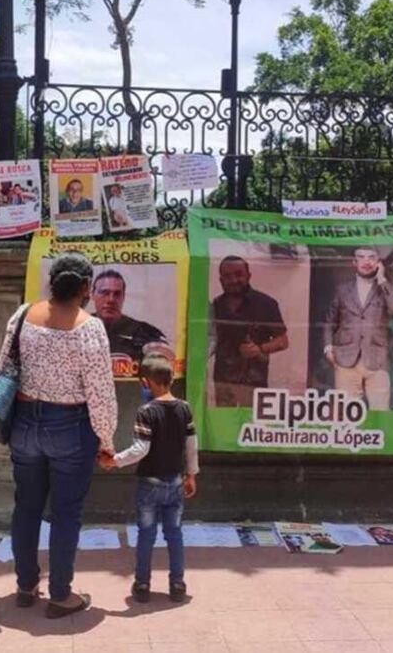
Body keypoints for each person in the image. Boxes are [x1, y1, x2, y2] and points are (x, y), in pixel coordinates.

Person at [0, 252, 117, 619]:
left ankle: (25, 585)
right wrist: (107, 442)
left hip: (24, 422)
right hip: (69, 428)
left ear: (52, 281)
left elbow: (3, 367)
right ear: (85, 288)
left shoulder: (22, 315)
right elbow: (100, 393)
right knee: (66, 513)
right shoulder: (90, 327)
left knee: (27, 507)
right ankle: (61, 593)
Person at [99, 354, 199, 604]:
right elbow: (191, 445)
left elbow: (140, 449)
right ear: (171, 379)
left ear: (145, 383)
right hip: (175, 483)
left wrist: (114, 460)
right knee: (174, 534)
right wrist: (191, 475)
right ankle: (177, 584)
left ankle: (142, 584)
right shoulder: (185, 408)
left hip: (149, 485)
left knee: (146, 534)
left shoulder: (146, 412)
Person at [323, 247, 393, 411]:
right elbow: (329, 322)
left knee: (380, 413)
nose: (366, 261)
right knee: (347, 413)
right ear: (354, 262)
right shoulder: (342, 290)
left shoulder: (384, 289)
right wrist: (328, 347)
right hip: (345, 360)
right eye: (361, 257)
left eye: (371, 257)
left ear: (378, 262)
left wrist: (382, 279)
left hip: (377, 360)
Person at [210, 256, 288, 407]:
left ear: (249, 275)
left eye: (238, 274)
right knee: (225, 426)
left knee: (251, 425)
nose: (233, 280)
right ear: (220, 280)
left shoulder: (266, 304)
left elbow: (283, 341)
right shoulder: (215, 306)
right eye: (227, 276)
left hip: (254, 381)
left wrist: (259, 349)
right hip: (223, 382)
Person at [91, 270, 170, 367]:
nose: (110, 299)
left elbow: (163, 371)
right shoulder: (76, 330)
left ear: (123, 297)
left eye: (117, 294)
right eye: (104, 292)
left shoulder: (147, 333)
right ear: (92, 295)